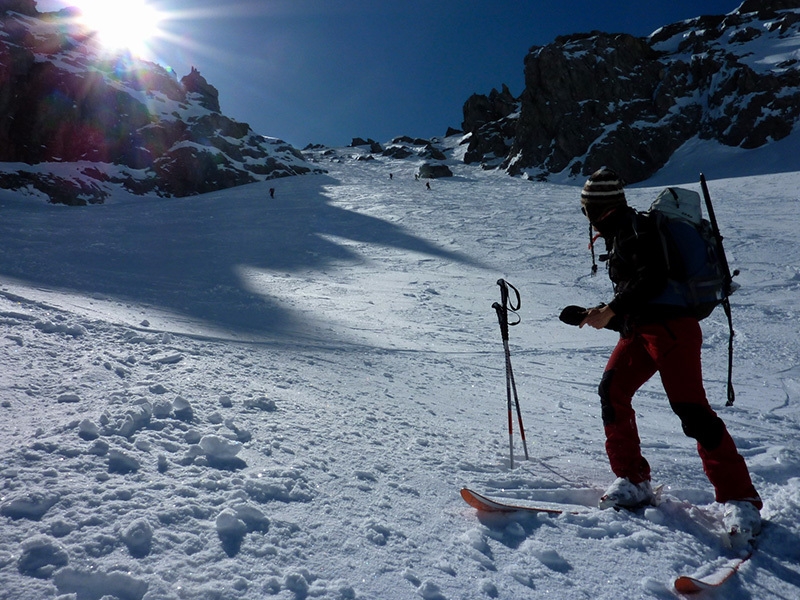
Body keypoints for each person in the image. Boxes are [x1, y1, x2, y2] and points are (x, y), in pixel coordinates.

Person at [575, 167, 762, 538]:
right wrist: (599, 315)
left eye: (588, 207)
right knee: (613, 391)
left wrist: (610, 310)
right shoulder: (621, 233)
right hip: (641, 331)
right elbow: (642, 296)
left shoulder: (635, 230)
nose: (587, 215)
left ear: (599, 207)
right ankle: (633, 478)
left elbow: (654, 279)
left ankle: (740, 498)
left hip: (673, 332)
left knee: (691, 411)